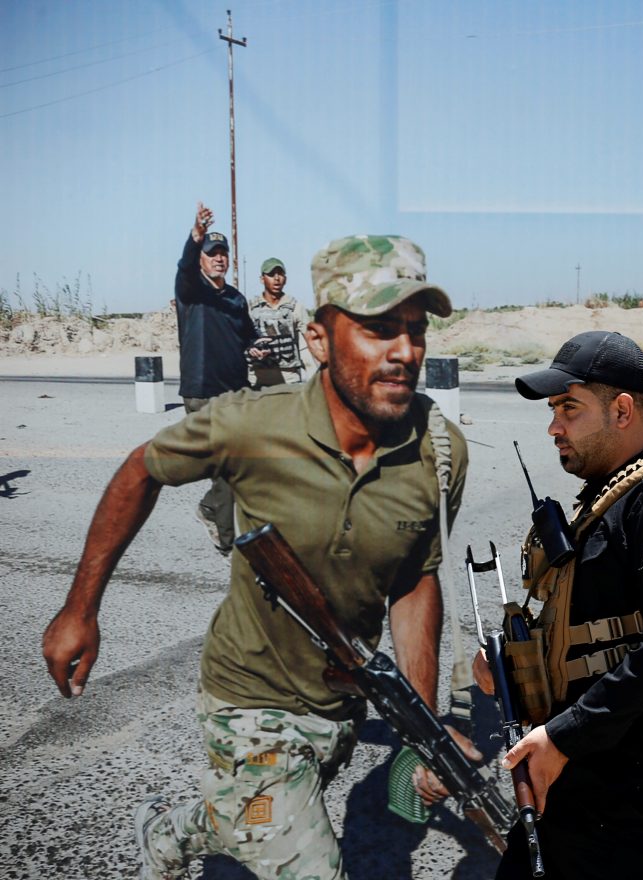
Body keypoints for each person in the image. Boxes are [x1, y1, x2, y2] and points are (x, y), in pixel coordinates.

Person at [42, 235, 471, 880]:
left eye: (416, 330)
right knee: (307, 863)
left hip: (339, 703)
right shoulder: (251, 424)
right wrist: (80, 608)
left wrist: (422, 726)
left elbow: (415, 578)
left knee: (256, 814)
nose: (405, 351)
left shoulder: (440, 450)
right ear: (318, 340)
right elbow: (142, 469)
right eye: (379, 329)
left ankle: (169, 834)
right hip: (246, 694)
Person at [476, 330, 643, 879]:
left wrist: (563, 735)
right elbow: (593, 630)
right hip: (584, 792)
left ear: (622, 411)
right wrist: (515, 666)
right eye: (553, 410)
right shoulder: (609, 497)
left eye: (569, 407)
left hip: (642, 811)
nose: (554, 426)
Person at [174, 202, 258, 555]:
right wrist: (195, 237)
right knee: (229, 462)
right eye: (212, 253)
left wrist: (256, 347)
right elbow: (184, 267)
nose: (219, 258)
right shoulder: (191, 290)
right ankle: (225, 538)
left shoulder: (236, 298)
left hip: (236, 392)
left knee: (244, 460)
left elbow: (248, 336)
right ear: (201, 260)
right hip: (203, 392)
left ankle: (213, 510)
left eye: (223, 253)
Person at [248, 256, 308, 388]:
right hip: (258, 378)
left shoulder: (295, 307)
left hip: (289, 378)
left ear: (285, 279)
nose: (276, 278)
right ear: (262, 279)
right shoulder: (250, 308)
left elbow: (311, 340)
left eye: (280, 274)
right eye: (271, 274)